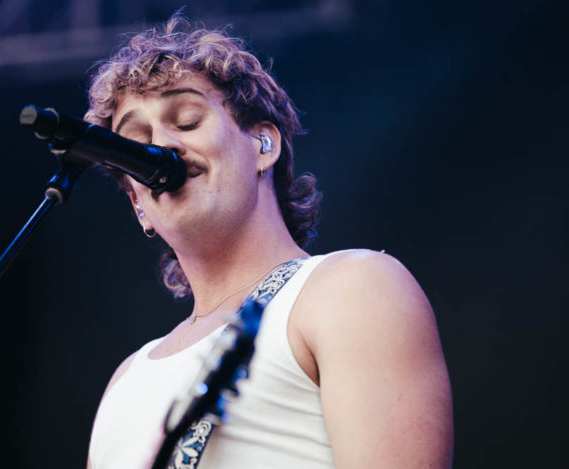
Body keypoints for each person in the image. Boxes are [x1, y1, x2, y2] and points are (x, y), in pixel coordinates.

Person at [84, 13, 453, 469]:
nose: (161, 147)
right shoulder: (126, 381)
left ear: (264, 144)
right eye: (137, 142)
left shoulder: (351, 288)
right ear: (138, 205)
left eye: (188, 121)